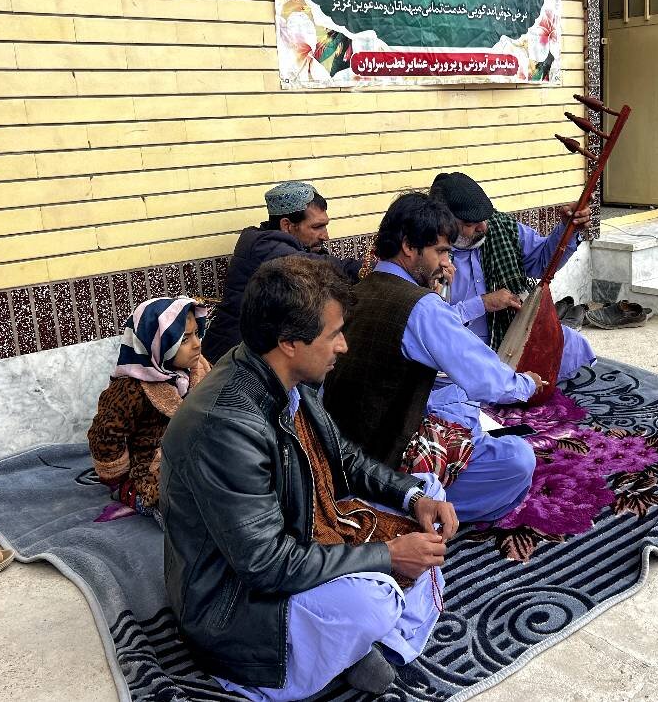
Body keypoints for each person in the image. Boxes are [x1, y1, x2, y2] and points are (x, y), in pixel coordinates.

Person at [160, 256, 457, 700]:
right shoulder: (226, 426)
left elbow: (346, 459)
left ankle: (349, 647)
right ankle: (333, 653)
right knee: (371, 599)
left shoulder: (289, 378)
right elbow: (266, 564)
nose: (344, 347)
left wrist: (412, 497)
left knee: (429, 492)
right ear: (290, 343)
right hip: (234, 606)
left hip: (301, 530)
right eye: (334, 335)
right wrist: (387, 556)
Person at [323, 191, 540, 523]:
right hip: (385, 462)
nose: (445, 262)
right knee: (517, 459)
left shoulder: (356, 292)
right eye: (441, 251)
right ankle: (410, 510)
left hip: (341, 454)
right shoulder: (422, 307)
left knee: (451, 408)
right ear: (409, 247)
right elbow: (486, 380)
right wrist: (527, 384)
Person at [429, 171, 595, 382]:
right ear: (446, 224)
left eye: (484, 218)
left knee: (571, 344)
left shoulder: (500, 227)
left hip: (509, 334)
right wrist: (482, 303)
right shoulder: (430, 255)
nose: (483, 227)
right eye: (471, 224)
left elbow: (542, 262)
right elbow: (432, 323)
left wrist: (568, 229)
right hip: (462, 347)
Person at [201, 181, 361, 364]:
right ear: (287, 225)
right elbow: (323, 269)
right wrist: (371, 269)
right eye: (317, 227)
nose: (325, 235)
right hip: (232, 358)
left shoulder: (270, 242)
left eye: (325, 226)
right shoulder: (265, 248)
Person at [87, 296, 210, 518]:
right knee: (183, 511)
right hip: (151, 469)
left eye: (197, 334)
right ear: (157, 345)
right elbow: (105, 434)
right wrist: (117, 478)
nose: (197, 344)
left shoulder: (198, 369)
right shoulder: (131, 388)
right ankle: (131, 494)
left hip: (194, 454)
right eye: (184, 339)